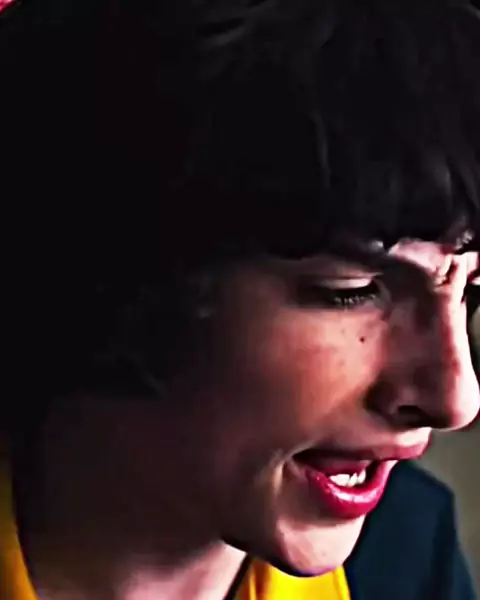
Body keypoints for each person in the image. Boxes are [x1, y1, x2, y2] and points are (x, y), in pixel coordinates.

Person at [1, 0, 480, 598]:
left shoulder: (407, 552)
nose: (455, 399)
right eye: (351, 292)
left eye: (472, 291)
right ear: (118, 268)